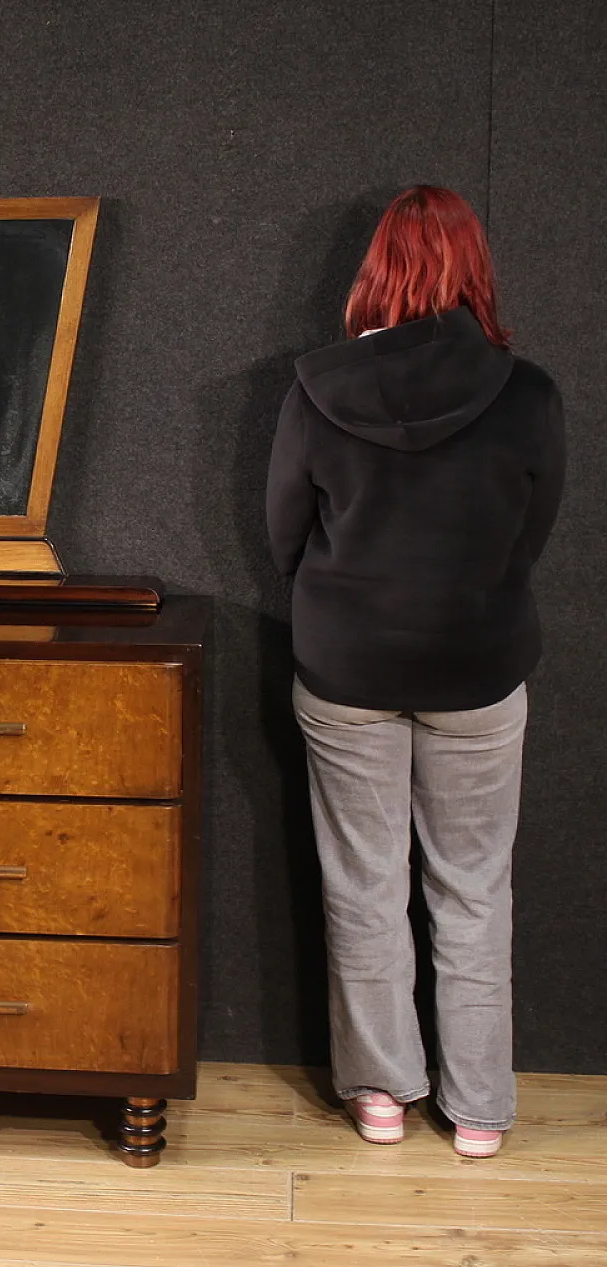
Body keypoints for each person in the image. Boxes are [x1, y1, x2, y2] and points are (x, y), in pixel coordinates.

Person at [266, 185, 564, 1159]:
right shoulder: (523, 392)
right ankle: (477, 1108)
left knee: (361, 883)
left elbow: (284, 532)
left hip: (345, 665)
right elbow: (530, 532)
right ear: (473, 265)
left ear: (375, 270)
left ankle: (381, 1093)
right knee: (473, 886)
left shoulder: (315, 385)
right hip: (476, 664)